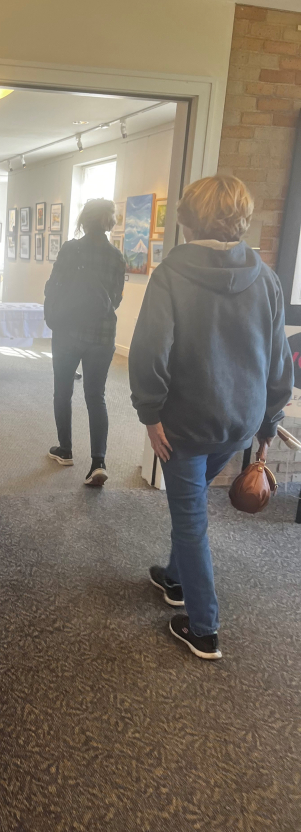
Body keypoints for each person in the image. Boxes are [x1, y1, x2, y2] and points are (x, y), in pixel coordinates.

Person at [129, 175, 292, 660]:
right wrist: (268, 423)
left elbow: (148, 353)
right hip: (240, 421)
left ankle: (204, 628)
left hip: (184, 424)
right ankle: (176, 580)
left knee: (191, 519)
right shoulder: (266, 278)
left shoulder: (171, 275)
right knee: (193, 499)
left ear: (188, 217)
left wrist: (150, 413)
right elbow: (277, 361)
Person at [44, 198, 125, 486]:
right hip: (102, 336)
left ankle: (65, 450)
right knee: (96, 396)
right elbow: (115, 300)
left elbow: (54, 284)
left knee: (62, 391)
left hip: (68, 332)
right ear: (109, 222)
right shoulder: (116, 256)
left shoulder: (71, 249)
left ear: (84, 219)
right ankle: (98, 462)